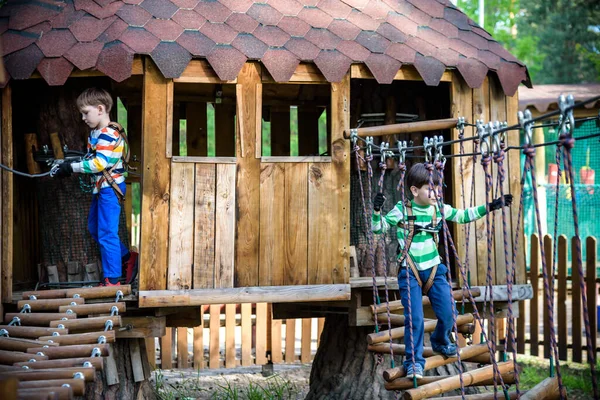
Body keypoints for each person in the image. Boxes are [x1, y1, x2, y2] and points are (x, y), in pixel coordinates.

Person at [371, 163, 512, 379]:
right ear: (415, 190)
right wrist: (377, 211)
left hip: (435, 270)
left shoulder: (439, 209)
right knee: (414, 319)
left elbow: (464, 215)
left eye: (437, 187)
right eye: (430, 188)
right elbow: (378, 229)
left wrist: (491, 206)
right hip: (409, 270)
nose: (435, 192)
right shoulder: (402, 210)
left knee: (449, 315)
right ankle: (414, 363)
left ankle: (440, 340)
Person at [52, 87, 137, 286]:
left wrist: (71, 168)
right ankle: (127, 258)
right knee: (94, 228)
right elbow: (91, 159)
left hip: (110, 189)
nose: (83, 117)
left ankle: (112, 280)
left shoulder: (108, 134)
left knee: (107, 233)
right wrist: (66, 165)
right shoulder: (96, 133)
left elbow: (99, 164)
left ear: (100, 109)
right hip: (101, 189)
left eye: (85, 113)